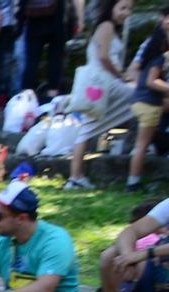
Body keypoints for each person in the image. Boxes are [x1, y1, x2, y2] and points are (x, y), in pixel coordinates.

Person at [63, 0, 136, 188]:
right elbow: (103, 57)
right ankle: (75, 177)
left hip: (103, 84)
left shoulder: (110, 27)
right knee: (138, 98)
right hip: (103, 83)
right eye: (123, 8)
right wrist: (121, 76)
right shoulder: (106, 26)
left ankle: (76, 177)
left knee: (88, 128)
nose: (126, 12)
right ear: (111, 7)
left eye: (129, 9)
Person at [97, 192, 169, 292]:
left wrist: (146, 253)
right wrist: (128, 257)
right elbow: (130, 231)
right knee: (110, 256)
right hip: (157, 265)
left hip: (156, 257)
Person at [127, 8, 169, 188]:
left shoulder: (155, 57)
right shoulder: (159, 58)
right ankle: (133, 182)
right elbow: (152, 82)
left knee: (141, 144)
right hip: (150, 104)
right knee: (142, 145)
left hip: (144, 102)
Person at [22, 0, 78, 95]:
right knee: (55, 61)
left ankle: (26, 98)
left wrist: (20, 20)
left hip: (33, 21)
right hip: (56, 22)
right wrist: (79, 18)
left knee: (32, 62)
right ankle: (52, 96)